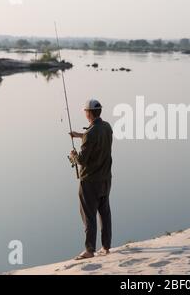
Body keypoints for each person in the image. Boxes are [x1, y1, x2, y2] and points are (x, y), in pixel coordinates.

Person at [69, 99, 113, 260]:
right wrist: (80, 135)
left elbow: (82, 160)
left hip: (90, 181)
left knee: (88, 215)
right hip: (106, 179)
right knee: (105, 212)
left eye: (85, 111)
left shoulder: (90, 133)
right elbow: (97, 139)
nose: (85, 113)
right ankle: (106, 247)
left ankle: (89, 250)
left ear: (89, 113)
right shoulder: (107, 127)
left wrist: (74, 155)